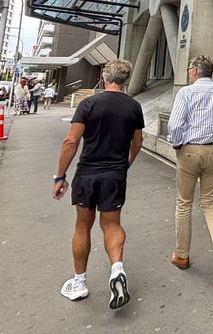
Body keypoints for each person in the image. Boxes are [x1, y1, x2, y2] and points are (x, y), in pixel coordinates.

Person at [52, 59, 144, 309]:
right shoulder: (134, 107)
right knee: (112, 224)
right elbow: (138, 142)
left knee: (83, 226)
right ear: (125, 80)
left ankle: (79, 281)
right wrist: (126, 164)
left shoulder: (88, 104)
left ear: (105, 77)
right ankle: (117, 269)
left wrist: (60, 176)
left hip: (88, 173)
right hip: (115, 174)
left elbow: (71, 141)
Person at [167, 55, 213, 285]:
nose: (188, 72)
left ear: (196, 71)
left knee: (184, 203)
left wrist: (177, 143)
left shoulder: (186, 93)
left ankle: (182, 255)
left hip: (189, 150)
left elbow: (175, 125)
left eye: (190, 68)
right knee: (210, 202)